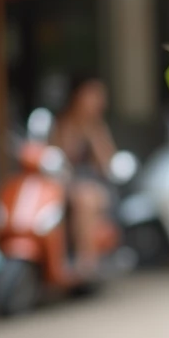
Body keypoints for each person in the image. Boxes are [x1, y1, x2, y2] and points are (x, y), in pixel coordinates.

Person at [51, 74, 117, 273]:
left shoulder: (98, 126)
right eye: (92, 95)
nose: (98, 101)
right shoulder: (62, 124)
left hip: (96, 185)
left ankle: (87, 261)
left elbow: (107, 165)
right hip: (66, 184)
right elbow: (56, 159)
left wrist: (93, 134)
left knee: (85, 199)